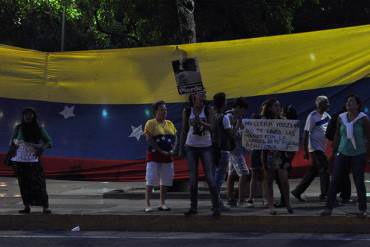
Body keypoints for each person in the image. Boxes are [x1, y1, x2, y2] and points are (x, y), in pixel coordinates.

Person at [321, 95, 370, 217]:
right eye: (347, 101)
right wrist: (334, 153)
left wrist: (367, 155)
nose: (348, 103)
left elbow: (369, 137)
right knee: (335, 180)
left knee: (359, 182)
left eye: (352, 101)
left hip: (359, 154)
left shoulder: (363, 118)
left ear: (358, 105)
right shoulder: (341, 118)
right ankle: (328, 208)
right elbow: (337, 135)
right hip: (342, 153)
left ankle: (362, 209)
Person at [179, 92, 221, 217]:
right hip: (191, 146)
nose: (202, 97)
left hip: (206, 147)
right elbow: (184, 130)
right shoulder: (187, 110)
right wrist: (181, 148)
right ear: (193, 97)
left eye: (203, 95)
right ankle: (193, 207)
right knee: (193, 180)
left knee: (210, 178)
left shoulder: (208, 109)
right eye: (199, 95)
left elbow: (213, 127)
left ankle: (216, 207)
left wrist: (201, 123)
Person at [11, 108, 52, 214]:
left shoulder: (39, 128)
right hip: (20, 161)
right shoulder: (18, 128)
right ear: (23, 116)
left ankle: (45, 207)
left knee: (39, 184)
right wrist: (15, 143)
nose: (27, 116)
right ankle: (26, 206)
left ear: (34, 116)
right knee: (23, 184)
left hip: (33, 161)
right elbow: (12, 141)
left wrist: (41, 148)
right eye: (25, 114)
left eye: (30, 114)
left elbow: (49, 142)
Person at [291, 96, 331, 202]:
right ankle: (325, 194)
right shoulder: (312, 116)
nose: (328, 105)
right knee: (324, 169)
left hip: (322, 148)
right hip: (314, 148)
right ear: (319, 104)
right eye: (325, 103)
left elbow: (331, 129)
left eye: (327, 103)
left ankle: (297, 191)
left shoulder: (327, 116)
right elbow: (306, 134)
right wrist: (305, 151)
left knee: (312, 172)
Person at [261, 99, 293, 215]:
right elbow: (261, 141)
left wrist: (289, 158)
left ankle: (288, 203)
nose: (278, 108)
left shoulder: (284, 121)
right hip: (268, 154)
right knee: (269, 180)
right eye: (275, 106)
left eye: (279, 106)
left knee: (284, 180)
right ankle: (271, 206)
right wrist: (263, 159)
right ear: (269, 108)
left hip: (281, 155)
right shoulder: (264, 121)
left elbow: (290, 139)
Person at [144, 101, 177, 212]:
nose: (165, 111)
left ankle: (162, 203)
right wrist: (161, 151)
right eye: (162, 109)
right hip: (154, 157)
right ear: (156, 111)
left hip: (168, 157)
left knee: (165, 181)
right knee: (151, 180)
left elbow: (175, 138)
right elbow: (149, 139)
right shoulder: (150, 123)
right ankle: (148, 205)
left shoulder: (170, 124)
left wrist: (173, 149)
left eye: (166, 109)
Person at [212, 92, 235, 211]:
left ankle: (216, 201)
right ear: (223, 102)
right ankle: (216, 202)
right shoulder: (224, 117)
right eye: (225, 100)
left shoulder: (214, 116)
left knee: (217, 176)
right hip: (223, 150)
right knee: (219, 178)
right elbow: (230, 133)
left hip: (215, 150)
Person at [226, 97, 250, 207]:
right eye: (243, 109)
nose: (244, 112)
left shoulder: (235, 116)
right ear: (238, 107)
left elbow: (241, 131)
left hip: (235, 149)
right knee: (244, 172)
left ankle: (230, 198)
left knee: (232, 173)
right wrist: (238, 123)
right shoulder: (230, 117)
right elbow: (232, 134)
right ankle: (241, 200)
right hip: (234, 150)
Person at [326, 106, 352, 203]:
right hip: (346, 149)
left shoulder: (337, 116)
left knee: (338, 172)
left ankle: (338, 194)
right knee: (343, 172)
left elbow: (329, 134)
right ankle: (343, 195)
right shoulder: (345, 117)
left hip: (340, 148)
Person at [246, 112, 264, 207]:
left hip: (261, 151)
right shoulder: (252, 130)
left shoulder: (261, 129)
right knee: (256, 175)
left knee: (260, 176)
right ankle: (252, 197)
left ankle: (255, 198)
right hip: (257, 151)